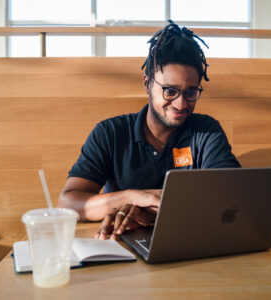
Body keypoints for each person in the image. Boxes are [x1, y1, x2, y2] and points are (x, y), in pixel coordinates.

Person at [58, 21, 241, 240]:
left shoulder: (206, 132)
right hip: (120, 249)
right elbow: (69, 204)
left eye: (191, 92)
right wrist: (133, 197)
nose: (181, 104)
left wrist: (152, 214)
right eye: (170, 91)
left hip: (189, 248)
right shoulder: (110, 133)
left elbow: (230, 197)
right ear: (147, 84)